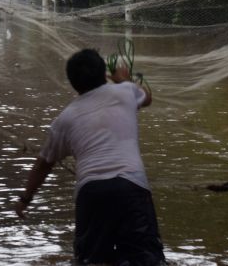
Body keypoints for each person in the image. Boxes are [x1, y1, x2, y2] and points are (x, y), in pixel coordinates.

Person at [15, 48, 165, 266]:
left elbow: (43, 164)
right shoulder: (125, 91)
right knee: (145, 259)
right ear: (105, 73)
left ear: (72, 82)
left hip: (91, 193)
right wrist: (124, 79)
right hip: (131, 187)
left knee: (91, 261)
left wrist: (25, 199)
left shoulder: (65, 119)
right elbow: (148, 98)